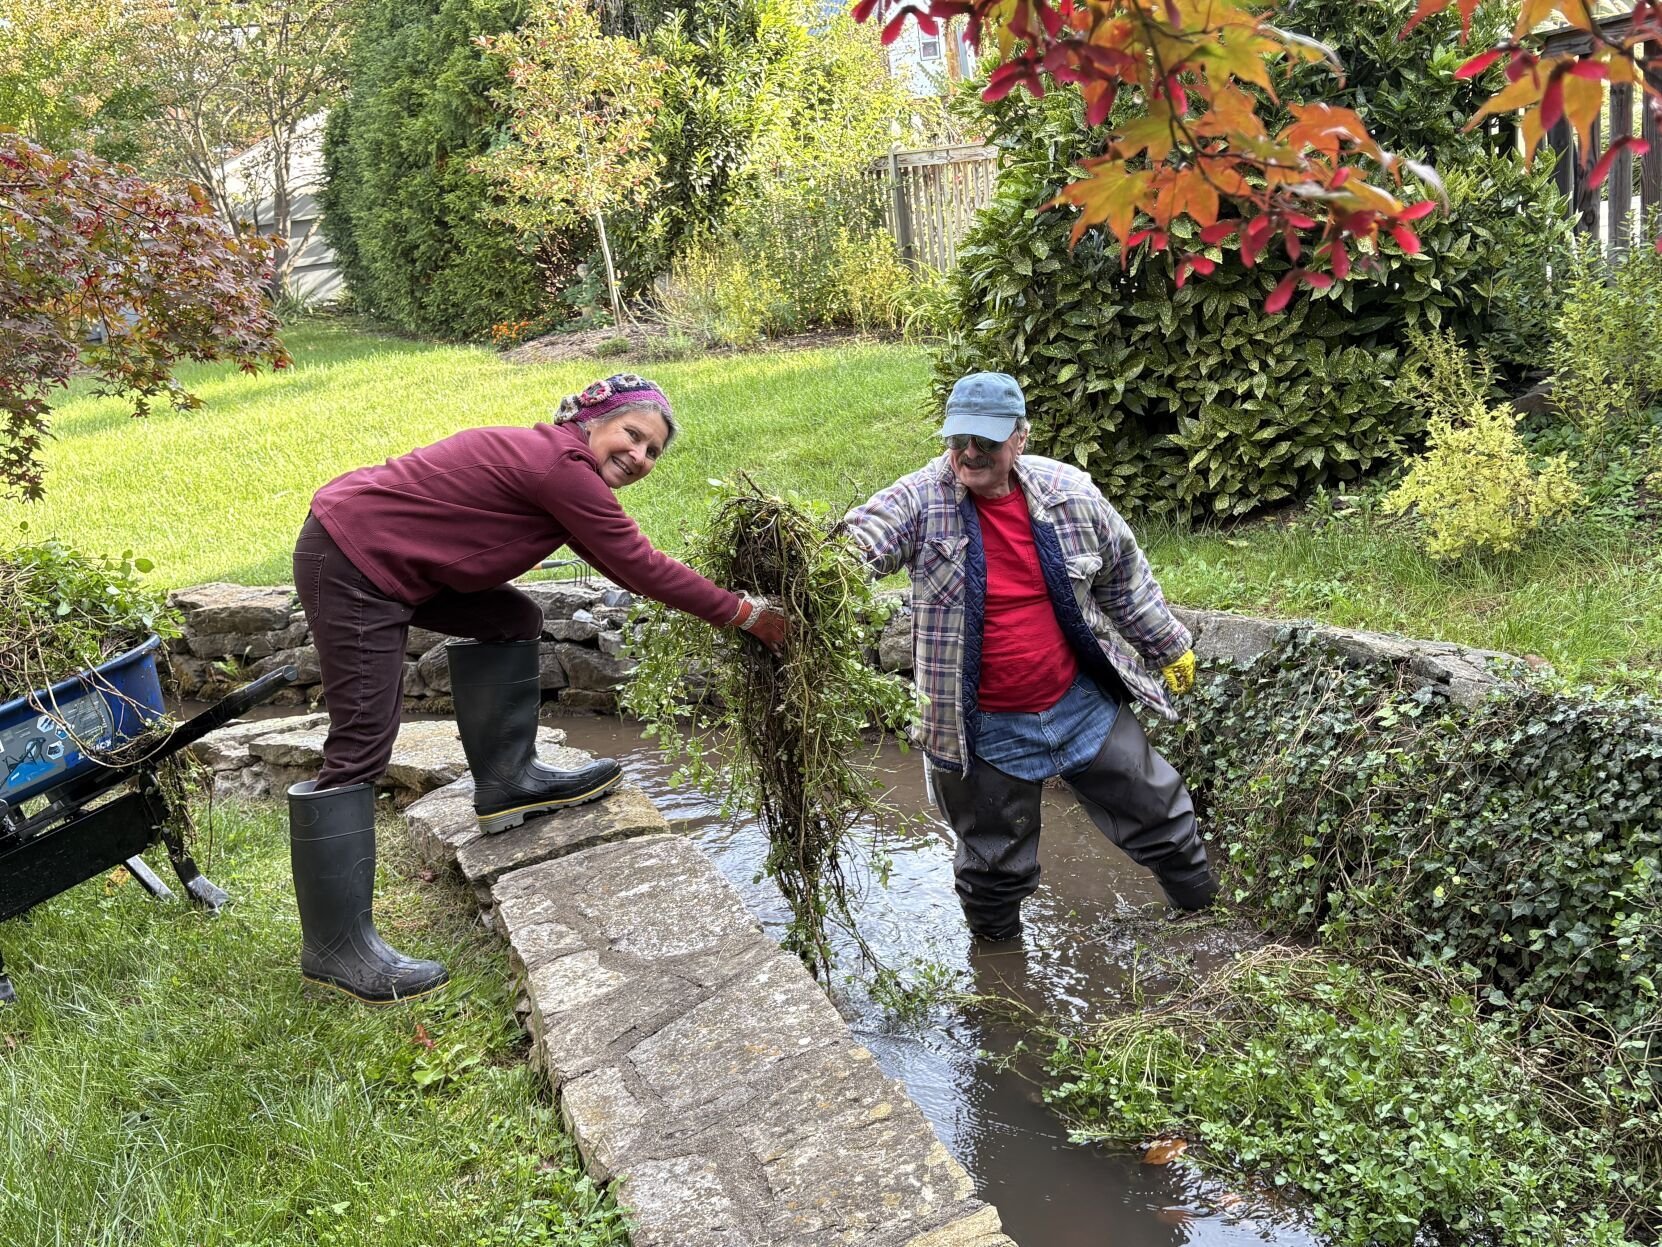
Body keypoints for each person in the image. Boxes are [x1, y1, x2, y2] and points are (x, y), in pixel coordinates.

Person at [288, 373, 786, 1003]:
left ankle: (508, 783)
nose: (639, 456)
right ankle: (337, 949)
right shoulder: (560, 467)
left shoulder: (563, 474)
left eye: (653, 452)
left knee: (511, 619)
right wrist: (744, 614)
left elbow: (623, 565)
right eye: (632, 436)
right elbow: (640, 565)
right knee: (362, 740)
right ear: (593, 422)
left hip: (388, 560)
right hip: (355, 560)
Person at [843, 371, 1216, 942]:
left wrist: (1168, 646)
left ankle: (1206, 924)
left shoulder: (1069, 496)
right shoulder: (921, 499)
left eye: (986, 442)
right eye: (957, 439)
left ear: (1020, 438)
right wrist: (795, 576)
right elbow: (855, 546)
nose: (969, 454)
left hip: (1080, 702)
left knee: (1161, 816)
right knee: (992, 867)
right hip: (981, 729)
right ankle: (999, 977)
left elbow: (1123, 579)